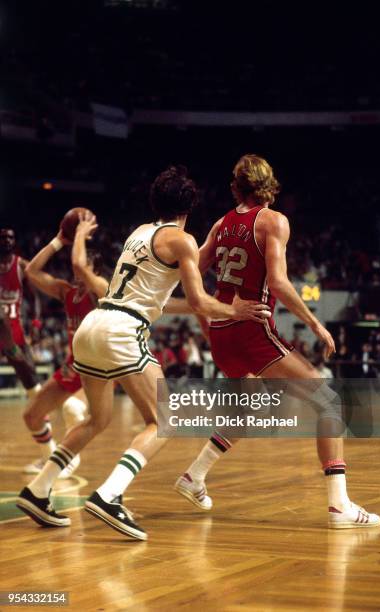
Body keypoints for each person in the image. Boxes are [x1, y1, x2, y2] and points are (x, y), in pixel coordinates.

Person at [17, 165, 270, 539]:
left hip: (92, 326)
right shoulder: (182, 241)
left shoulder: (139, 232)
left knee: (96, 420)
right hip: (123, 330)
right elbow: (199, 301)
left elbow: (163, 286)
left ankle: (38, 490)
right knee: (167, 419)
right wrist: (236, 310)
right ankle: (110, 494)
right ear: (190, 207)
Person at [175, 154, 380, 529]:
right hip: (252, 328)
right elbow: (281, 283)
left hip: (222, 332)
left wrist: (207, 315)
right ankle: (339, 506)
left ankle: (194, 475)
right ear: (269, 184)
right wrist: (316, 323)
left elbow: (190, 271)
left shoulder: (221, 224)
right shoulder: (274, 221)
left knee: (247, 409)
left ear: (235, 186)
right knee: (328, 399)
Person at [21, 212, 108, 478]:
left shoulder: (103, 290)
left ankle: (69, 459)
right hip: (72, 367)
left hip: (96, 369)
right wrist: (59, 240)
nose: (78, 272)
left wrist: (80, 235)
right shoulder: (67, 291)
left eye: (84, 268)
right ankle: (51, 460)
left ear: (95, 271)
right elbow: (31, 271)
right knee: (32, 417)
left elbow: (80, 265)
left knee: (72, 407)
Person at [0, 228, 41, 397]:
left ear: (14, 241)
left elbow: (35, 298)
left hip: (15, 327)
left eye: (10, 237)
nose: (7, 240)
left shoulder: (22, 265)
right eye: (3, 238)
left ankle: (43, 418)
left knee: (30, 374)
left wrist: (36, 324)